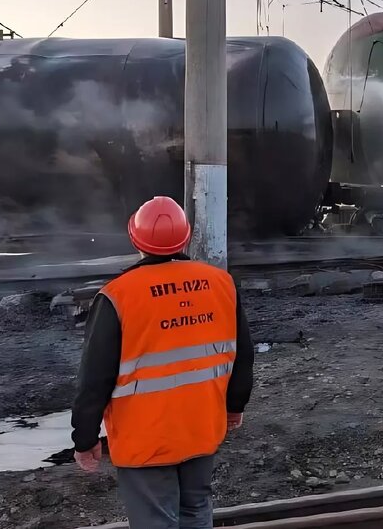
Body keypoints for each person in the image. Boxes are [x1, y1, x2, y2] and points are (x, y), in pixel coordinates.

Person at [72, 196, 254, 529]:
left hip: (146, 441)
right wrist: (235, 406)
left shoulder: (118, 295)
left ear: (135, 239)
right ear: (185, 238)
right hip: (201, 427)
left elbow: (94, 379)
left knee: (156, 521)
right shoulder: (220, 284)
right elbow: (242, 355)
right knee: (196, 508)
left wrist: (85, 439)